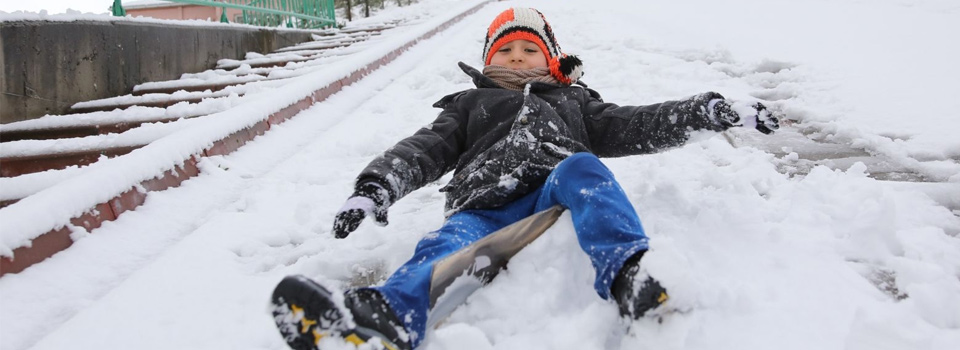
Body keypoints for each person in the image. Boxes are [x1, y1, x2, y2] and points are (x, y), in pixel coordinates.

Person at [271, 7, 779, 350]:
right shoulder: (469, 105)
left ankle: (628, 271)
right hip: (482, 204)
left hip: (556, 188)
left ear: (551, 57)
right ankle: (384, 320)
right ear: (489, 60)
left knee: (586, 169)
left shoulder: (577, 102)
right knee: (444, 244)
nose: (516, 59)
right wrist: (375, 187)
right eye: (505, 52)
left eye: (528, 51)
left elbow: (636, 123)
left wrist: (705, 111)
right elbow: (423, 149)